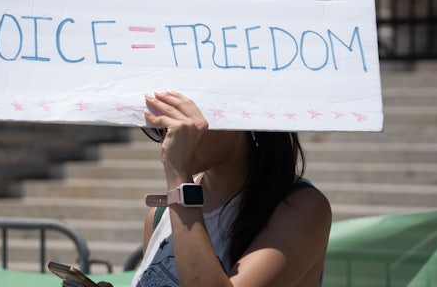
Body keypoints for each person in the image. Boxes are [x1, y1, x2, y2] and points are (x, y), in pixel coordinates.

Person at [126, 91, 332, 287]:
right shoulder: (160, 214)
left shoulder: (302, 208)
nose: (167, 140)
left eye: (185, 125)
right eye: (160, 128)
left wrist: (178, 172)